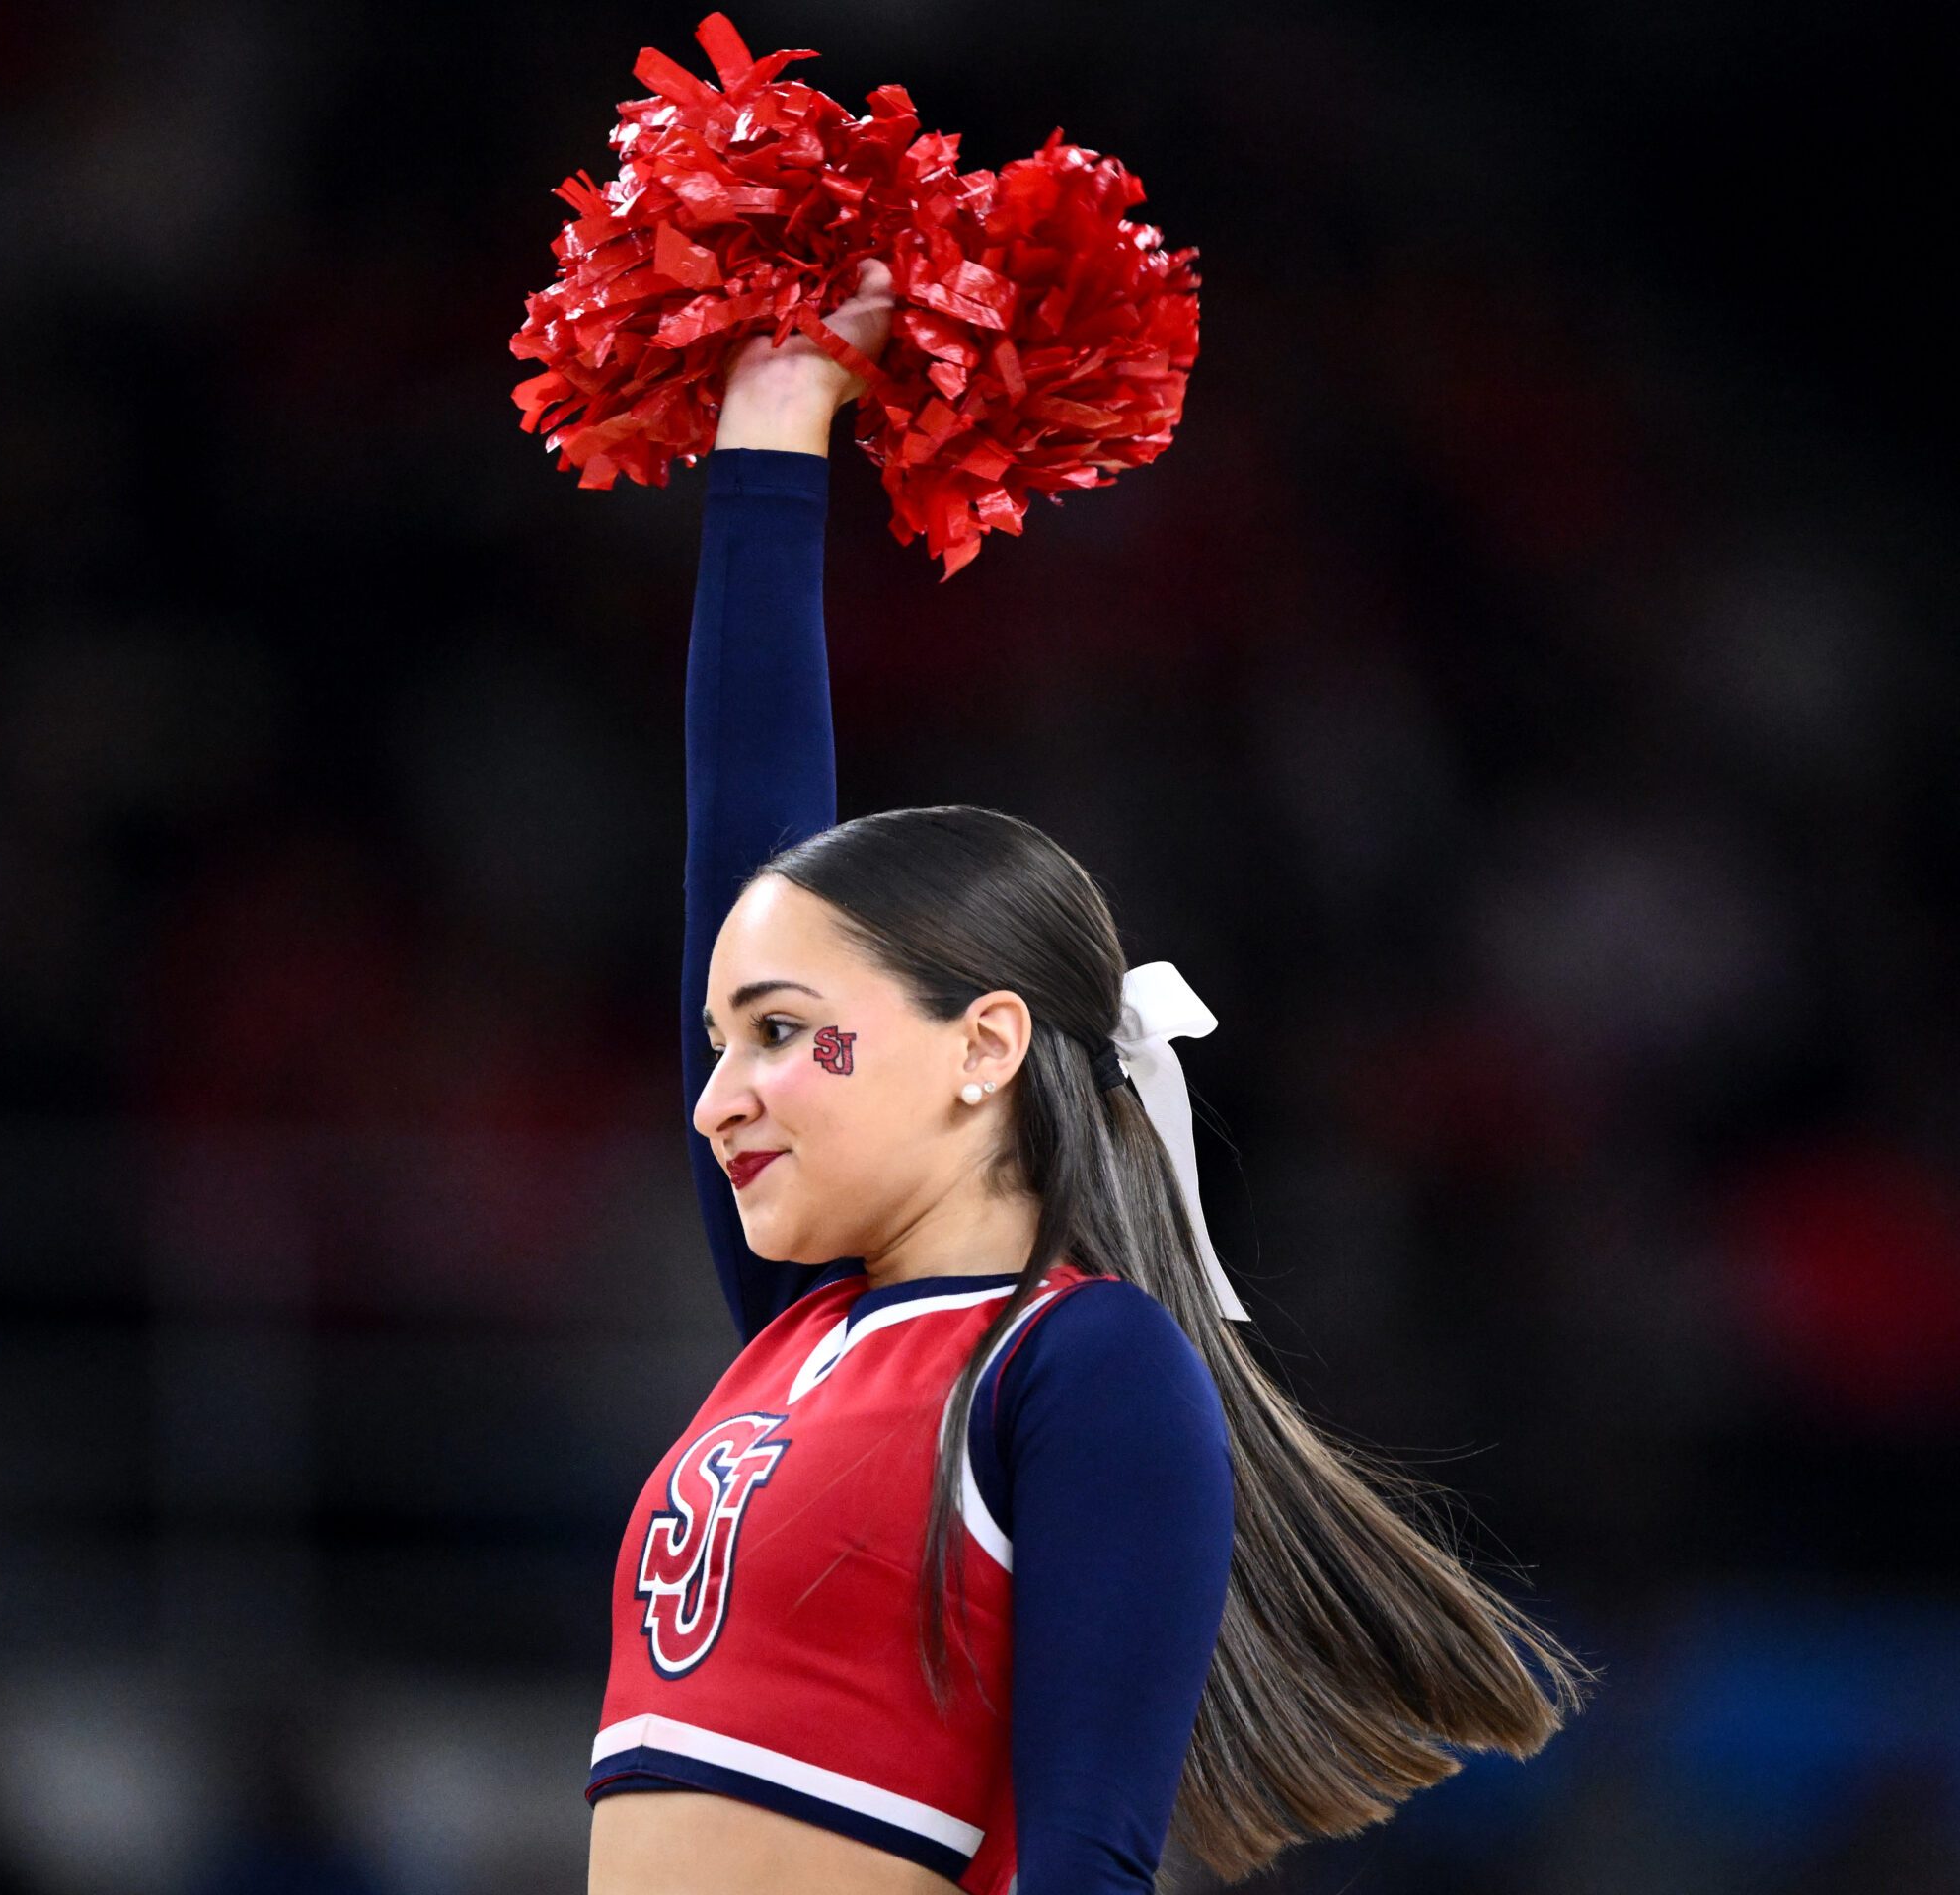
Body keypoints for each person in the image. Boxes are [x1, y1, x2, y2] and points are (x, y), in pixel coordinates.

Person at [580, 263, 1591, 1895]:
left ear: (984, 1046)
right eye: (716, 1043)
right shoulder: (801, 1335)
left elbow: (1089, 1863)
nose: (714, 1099)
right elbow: (740, 830)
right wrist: (774, 418)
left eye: (775, 1031)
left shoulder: (1081, 1365)